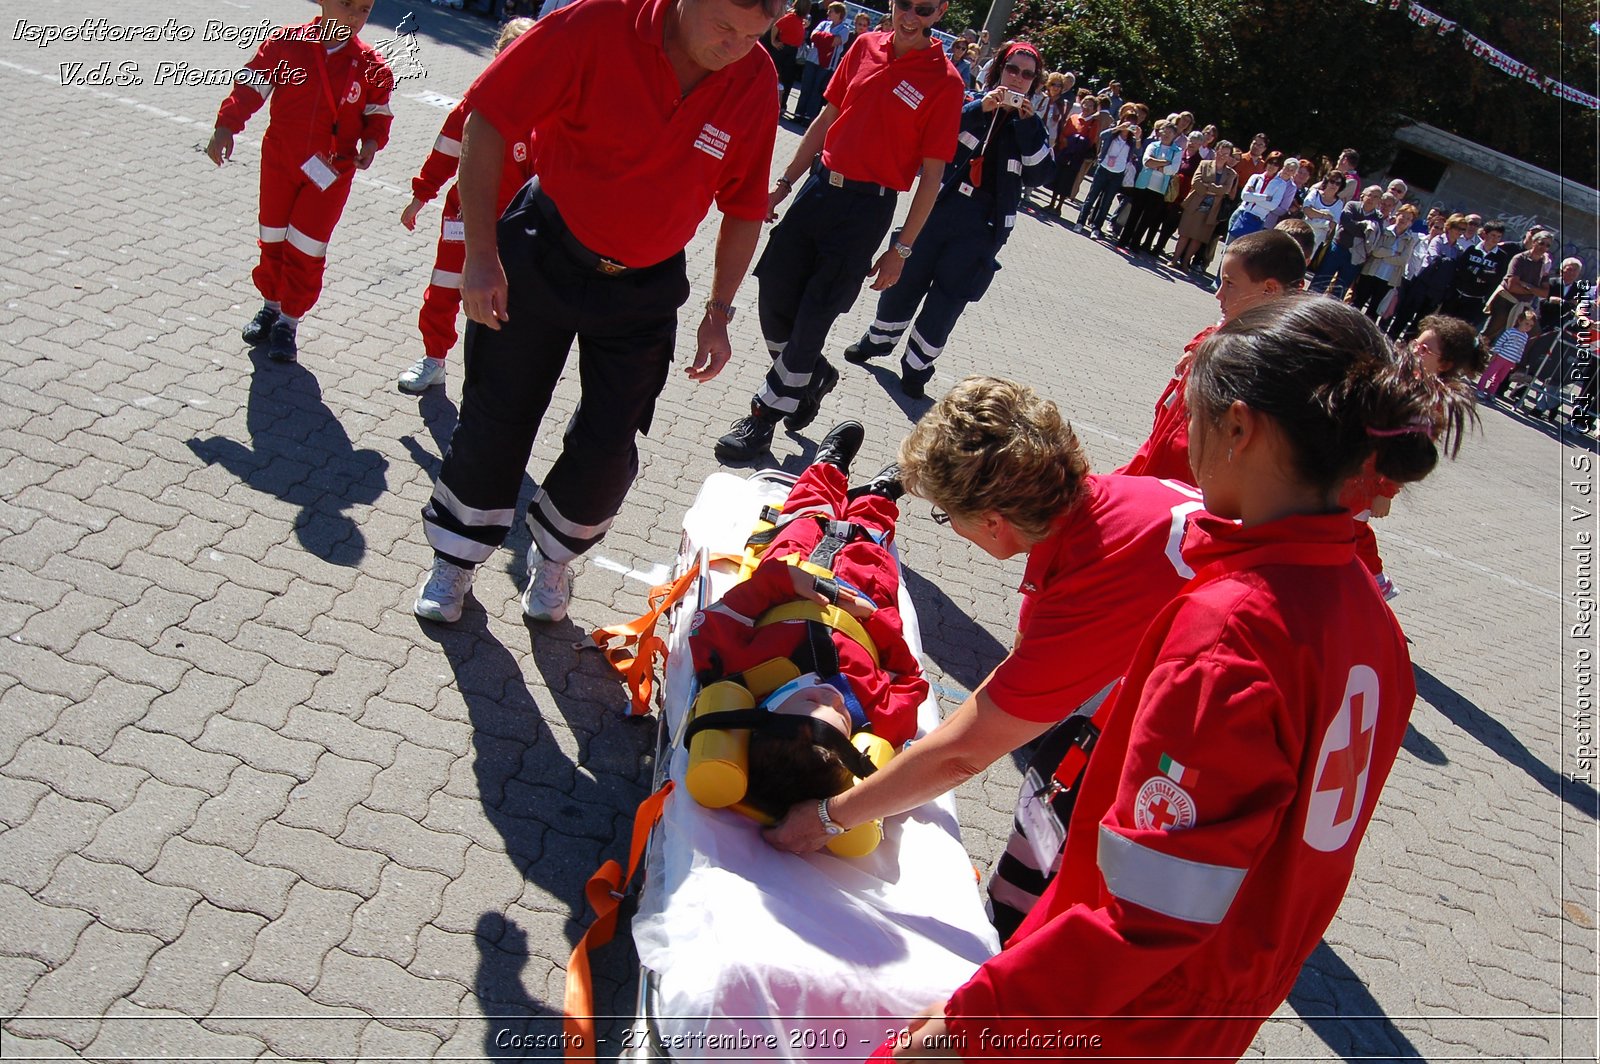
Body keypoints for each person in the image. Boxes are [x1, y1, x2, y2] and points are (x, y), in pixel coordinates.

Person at [877, 294, 1474, 1062]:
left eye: (1191, 417)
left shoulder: (1231, 632)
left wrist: (971, 1025)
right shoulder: (1370, 614)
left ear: (1240, 428)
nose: (1180, 438)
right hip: (1227, 991)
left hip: (1129, 1011)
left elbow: (1143, 917)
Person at [763, 378, 1205, 933]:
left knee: (1062, 883)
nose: (955, 530)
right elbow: (1025, 673)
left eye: (947, 516)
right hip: (1132, 717)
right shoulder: (1120, 501)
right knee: (1046, 802)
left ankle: (1003, 977)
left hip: (1182, 772)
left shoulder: (1099, 575)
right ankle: (1003, 926)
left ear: (993, 520)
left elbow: (966, 754)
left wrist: (828, 817)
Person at [412, 0, 782, 626]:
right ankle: (457, 559)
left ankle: (554, 559)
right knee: (497, 415)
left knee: (611, 441)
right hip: (542, 250)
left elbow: (745, 203)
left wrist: (719, 310)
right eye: (725, 27)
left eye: (754, 35)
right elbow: (489, 120)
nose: (736, 47)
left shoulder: (756, 78)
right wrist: (479, 255)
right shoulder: (595, 24)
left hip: (644, 285)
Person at [714, 0, 964, 462]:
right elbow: (826, 119)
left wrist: (902, 249)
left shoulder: (946, 82)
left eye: (924, 9)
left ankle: (762, 417)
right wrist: (783, 184)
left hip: (867, 211)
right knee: (774, 290)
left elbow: (931, 176)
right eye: (905, 4)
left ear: (940, 12)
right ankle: (811, 376)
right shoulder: (865, 45)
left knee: (815, 313)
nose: (911, 16)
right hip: (818, 190)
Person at [687, 421, 926, 813]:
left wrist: (782, 580)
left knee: (806, 514)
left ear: (765, 712)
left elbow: (721, 616)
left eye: (814, 701)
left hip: (792, 572)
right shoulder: (881, 717)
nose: (833, 700)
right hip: (864, 590)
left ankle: (829, 467)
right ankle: (881, 494)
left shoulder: (740, 669)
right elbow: (909, 678)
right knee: (869, 534)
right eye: (842, 720)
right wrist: (874, 620)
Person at [840, 43, 1053, 398]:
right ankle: (878, 341)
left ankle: (917, 367)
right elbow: (935, 133)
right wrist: (979, 108)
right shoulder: (969, 102)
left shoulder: (1033, 126)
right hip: (939, 210)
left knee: (948, 301)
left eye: (1027, 74)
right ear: (999, 69)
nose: (1017, 79)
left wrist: (1029, 125)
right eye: (1012, 69)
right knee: (905, 281)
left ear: (1035, 83)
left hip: (982, 227)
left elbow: (1041, 174)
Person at [208, 0, 395, 365]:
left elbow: (379, 112)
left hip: (332, 173)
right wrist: (225, 125)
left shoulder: (371, 65)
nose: (355, 16)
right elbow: (251, 85)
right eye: (346, 5)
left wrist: (371, 143)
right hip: (280, 159)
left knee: (307, 247)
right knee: (273, 236)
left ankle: (288, 323)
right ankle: (270, 306)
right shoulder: (286, 43)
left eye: (365, 9)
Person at [393, 19, 534, 394]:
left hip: (512, 228)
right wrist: (420, 195)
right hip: (462, 216)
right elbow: (446, 150)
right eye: (511, 54)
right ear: (498, 56)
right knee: (443, 287)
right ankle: (434, 360)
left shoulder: (543, 113)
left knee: (501, 302)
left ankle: (490, 382)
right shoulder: (476, 102)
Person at [1118, 229, 1307, 482]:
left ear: (1270, 289)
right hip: (1157, 471)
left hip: (1189, 491)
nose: (1219, 294)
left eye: (1229, 284)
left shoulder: (1270, 364)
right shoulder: (1226, 335)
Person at [1341, 314, 1487, 600]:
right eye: (1415, 343)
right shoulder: (1397, 375)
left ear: (1444, 365)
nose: (1414, 350)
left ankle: (1374, 580)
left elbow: (1408, 455)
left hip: (1369, 477)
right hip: (1351, 464)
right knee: (1347, 526)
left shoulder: (1432, 403)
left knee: (1351, 528)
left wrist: (1386, 491)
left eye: (1424, 349)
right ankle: (1369, 580)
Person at [1074, 104, 1141, 236]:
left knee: (1106, 202)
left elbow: (1138, 153)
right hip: (1103, 168)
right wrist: (1118, 128)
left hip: (1118, 173)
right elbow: (1102, 135)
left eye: (1133, 123)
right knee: (1091, 197)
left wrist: (1138, 137)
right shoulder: (1113, 133)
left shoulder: (1131, 141)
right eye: (1128, 121)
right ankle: (1080, 222)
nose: (1129, 125)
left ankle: (1096, 227)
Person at [1171, 139, 1235, 272]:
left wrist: (1209, 186)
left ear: (1229, 156)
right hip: (1195, 205)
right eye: (1221, 152)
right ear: (1216, 151)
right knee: (1185, 234)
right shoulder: (1204, 164)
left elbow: (1226, 190)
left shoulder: (1231, 173)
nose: (1222, 155)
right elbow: (1196, 183)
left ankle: (1185, 263)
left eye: (1226, 154)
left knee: (1198, 238)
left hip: (1212, 210)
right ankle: (1174, 259)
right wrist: (1214, 189)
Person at [1349, 203, 1420, 321]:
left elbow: (1403, 260)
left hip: (1388, 279)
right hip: (1371, 272)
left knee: (1374, 310)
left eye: (1408, 219)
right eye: (1403, 216)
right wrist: (1393, 253)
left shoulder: (1410, 239)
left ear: (1411, 223)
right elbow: (1376, 251)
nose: (1404, 220)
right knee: (1358, 302)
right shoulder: (1384, 230)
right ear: (1397, 215)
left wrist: (1385, 254)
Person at [1482, 230, 1554, 343]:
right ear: (1534, 242)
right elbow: (1512, 286)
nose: (1543, 247)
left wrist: (1528, 287)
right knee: (1489, 334)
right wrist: (1534, 291)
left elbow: (1545, 293)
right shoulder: (1519, 259)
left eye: (1547, 245)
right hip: (1505, 301)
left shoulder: (1544, 265)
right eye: (1541, 243)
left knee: (1532, 333)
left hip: (1524, 306)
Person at [1309, 184, 1382, 298]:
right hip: (1337, 248)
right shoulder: (1351, 205)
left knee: (1340, 289)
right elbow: (1346, 223)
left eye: (1376, 197)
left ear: (1379, 201)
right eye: (1370, 195)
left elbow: (1372, 235)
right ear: (1362, 195)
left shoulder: (1378, 217)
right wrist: (1363, 229)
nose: (1371, 199)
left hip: (1355, 256)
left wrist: (1355, 226)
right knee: (1321, 281)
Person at [1442, 219, 1512, 328]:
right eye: (1493, 235)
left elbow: (1495, 278)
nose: (1495, 239)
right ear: (1485, 233)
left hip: (1476, 300)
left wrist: (1475, 270)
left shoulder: (1501, 257)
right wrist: (1483, 274)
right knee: (1443, 324)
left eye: (1498, 237)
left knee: (1461, 329)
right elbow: (1461, 269)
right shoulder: (1471, 249)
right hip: (1457, 295)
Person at [793, 1, 850, 123]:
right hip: (812, 60)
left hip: (826, 65)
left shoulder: (845, 29)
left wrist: (822, 38)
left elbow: (836, 41)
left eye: (831, 11)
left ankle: (809, 118)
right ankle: (798, 114)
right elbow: (814, 35)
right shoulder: (824, 23)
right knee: (806, 87)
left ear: (839, 14)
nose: (828, 13)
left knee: (816, 91)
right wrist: (828, 39)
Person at [1041, 95, 1098, 216]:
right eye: (1085, 104)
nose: (1087, 107)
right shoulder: (1073, 117)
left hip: (1076, 156)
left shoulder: (1093, 123)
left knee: (1067, 180)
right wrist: (1064, 141)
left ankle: (1059, 206)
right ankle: (1051, 203)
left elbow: (1091, 140)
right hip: (1064, 151)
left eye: (1090, 106)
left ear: (1094, 109)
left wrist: (1077, 144)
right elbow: (1063, 131)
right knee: (1058, 176)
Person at [1225, 150, 1284, 242]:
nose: (1272, 166)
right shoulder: (1255, 177)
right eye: (1270, 163)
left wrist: (1253, 196)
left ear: (1279, 167)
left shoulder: (1281, 184)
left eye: (1276, 164)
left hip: (1257, 220)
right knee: (1228, 248)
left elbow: (1272, 206)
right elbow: (1244, 196)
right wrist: (1265, 197)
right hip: (1241, 213)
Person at [1479, 309, 1538, 400]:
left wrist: (1516, 361)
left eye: (1531, 326)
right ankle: (1480, 389)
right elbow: (1500, 342)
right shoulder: (1510, 331)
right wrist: (1496, 353)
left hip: (1510, 360)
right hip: (1501, 357)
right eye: (1526, 323)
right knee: (1488, 373)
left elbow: (1521, 349)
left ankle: (1491, 392)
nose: (1528, 327)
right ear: (1520, 321)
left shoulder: (1525, 336)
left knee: (1499, 378)